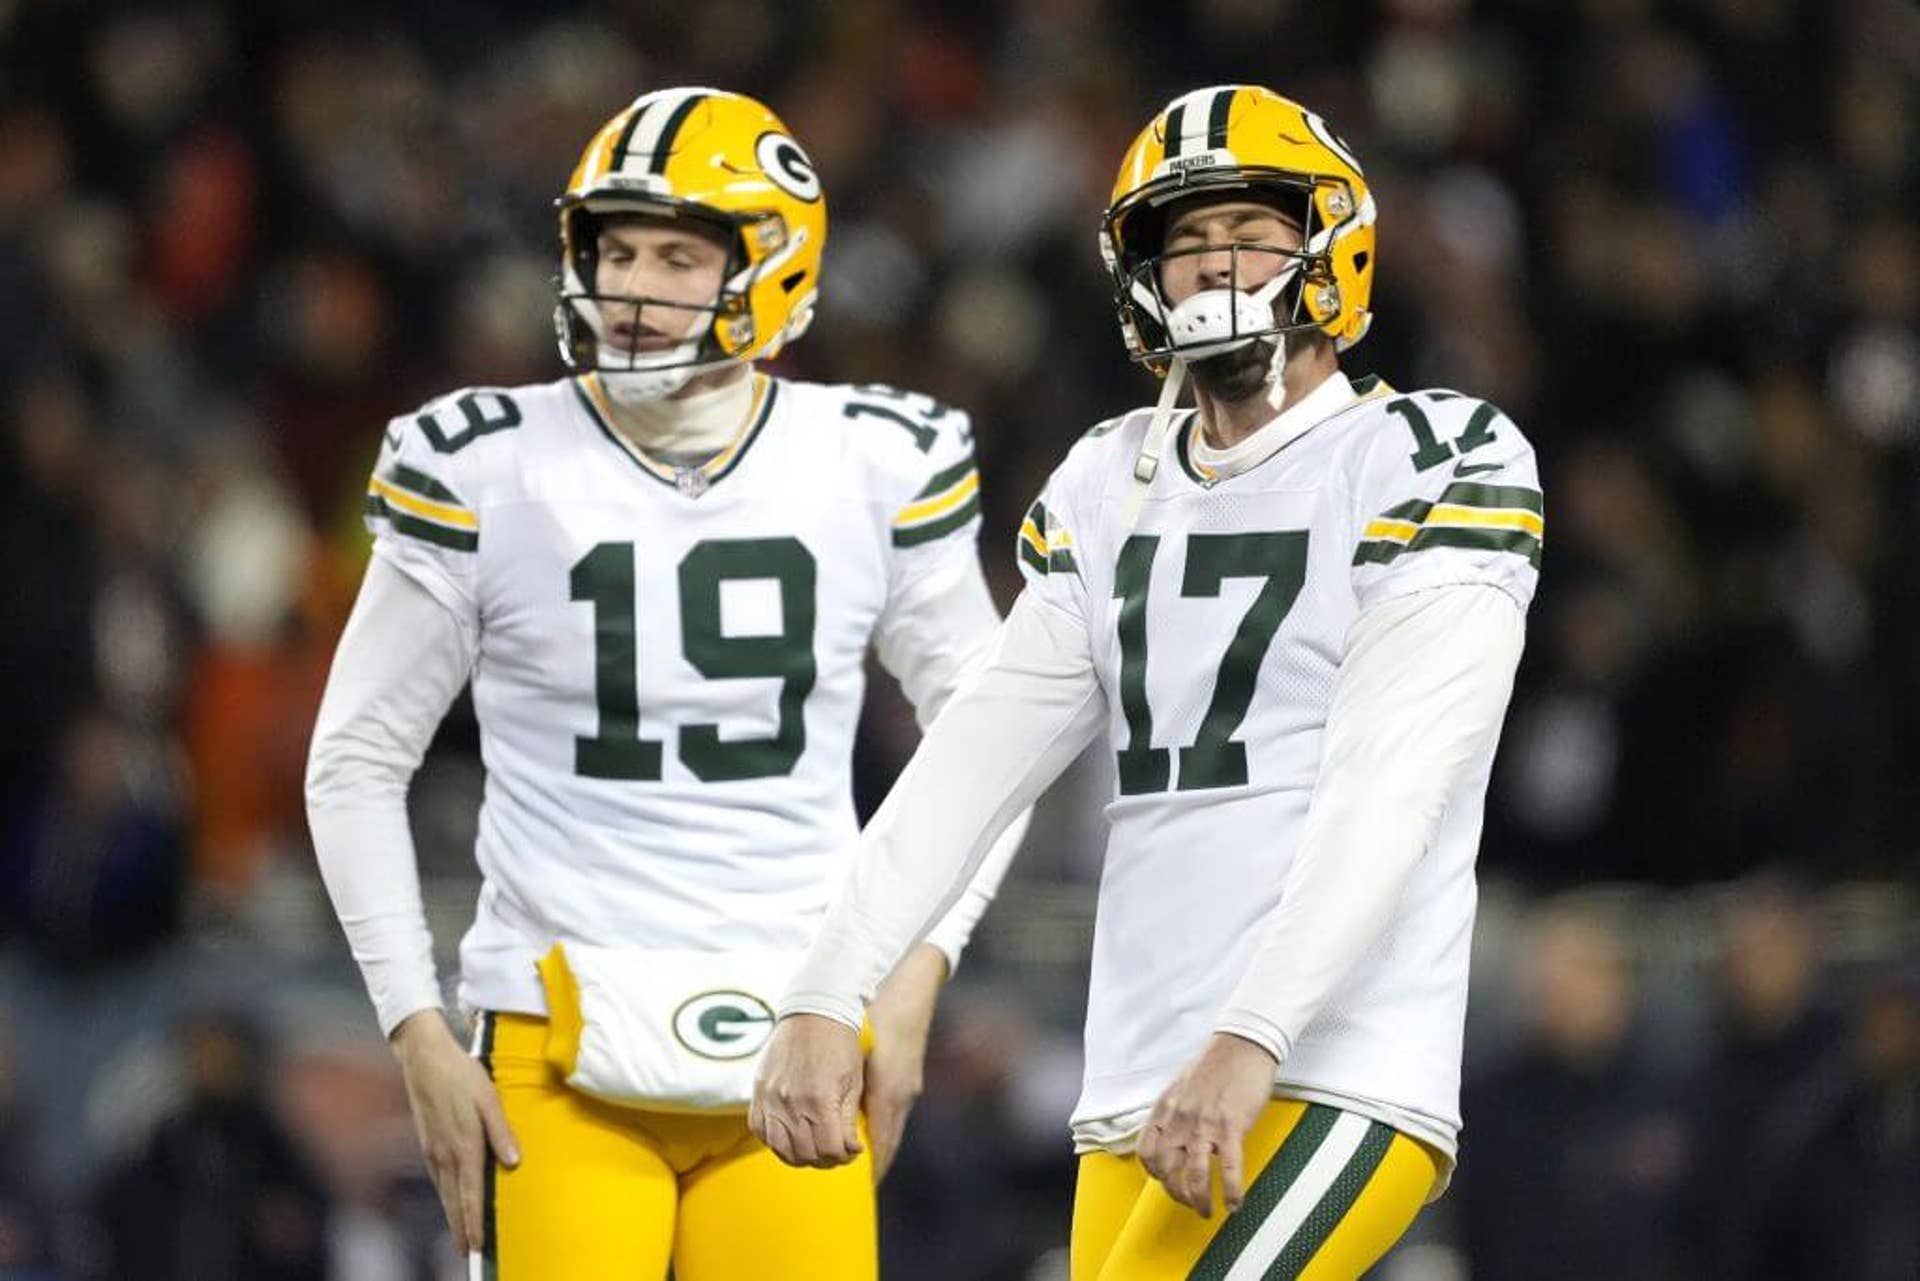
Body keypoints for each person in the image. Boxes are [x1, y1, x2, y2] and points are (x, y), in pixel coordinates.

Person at [751, 84, 1542, 1279]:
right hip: (1135, 1072)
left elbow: (1391, 789)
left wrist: (1251, 1037)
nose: (1216, 267)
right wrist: (827, 988)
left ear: (1334, 244)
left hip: (1329, 1062)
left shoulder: (1431, 457)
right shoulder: (1108, 479)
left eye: (1250, 233)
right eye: (1186, 242)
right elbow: (974, 758)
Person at [304, 86, 1025, 1281]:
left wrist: (913, 975)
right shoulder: (485, 462)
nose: (634, 289)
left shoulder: (871, 459)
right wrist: (420, 1031)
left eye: (679, 257)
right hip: (556, 1040)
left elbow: (991, 737)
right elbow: (354, 760)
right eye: (616, 250)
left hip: (803, 1028)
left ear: (774, 267)